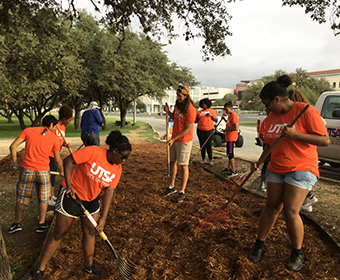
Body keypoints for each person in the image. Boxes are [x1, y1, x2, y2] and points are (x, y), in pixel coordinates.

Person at [248, 75, 329, 271]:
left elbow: (325, 140)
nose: (266, 109)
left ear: (277, 98)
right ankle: (259, 245)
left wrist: (296, 135)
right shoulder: (270, 119)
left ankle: (297, 252)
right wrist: (259, 162)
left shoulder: (306, 112)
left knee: (291, 211)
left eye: (267, 104)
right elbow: (268, 144)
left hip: (302, 168)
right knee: (271, 207)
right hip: (276, 167)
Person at [33, 130, 132, 280]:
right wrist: (69, 186)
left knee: (90, 232)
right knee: (60, 233)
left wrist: (103, 218)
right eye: (123, 157)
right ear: (114, 150)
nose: (124, 160)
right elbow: (68, 161)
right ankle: (40, 269)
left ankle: (89, 266)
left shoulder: (117, 168)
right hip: (72, 196)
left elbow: (109, 191)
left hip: (91, 200)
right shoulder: (93, 152)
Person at [8, 115, 64, 234]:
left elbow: (13, 146)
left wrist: (15, 163)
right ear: (51, 125)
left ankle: (16, 223)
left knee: (22, 198)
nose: (54, 130)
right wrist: (62, 171)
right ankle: (41, 224)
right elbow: (58, 160)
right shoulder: (54, 138)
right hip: (44, 172)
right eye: (54, 127)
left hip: (27, 170)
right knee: (44, 199)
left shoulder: (28, 131)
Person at [160, 85, 196, 203]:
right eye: (177, 95)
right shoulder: (177, 105)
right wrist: (168, 112)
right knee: (172, 162)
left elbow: (187, 129)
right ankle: (171, 186)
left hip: (184, 141)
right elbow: (175, 119)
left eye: (180, 96)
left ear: (186, 96)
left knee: (184, 165)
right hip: (174, 139)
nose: (178, 97)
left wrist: (174, 139)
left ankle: (182, 191)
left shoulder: (190, 109)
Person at [288, 89, 319, 212]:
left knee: (291, 208)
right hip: (302, 160)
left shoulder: (306, 114)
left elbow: (322, 138)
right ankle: (308, 197)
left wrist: (295, 135)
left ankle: (308, 197)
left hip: (301, 162)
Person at [48, 105, 73, 207]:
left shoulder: (62, 127)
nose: (70, 122)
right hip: (50, 154)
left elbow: (60, 140)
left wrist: (64, 144)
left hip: (56, 153)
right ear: (63, 119)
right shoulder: (55, 126)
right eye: (69, 120)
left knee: (53, 175)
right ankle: (49, 197)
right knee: (51, 175)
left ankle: (52, 196)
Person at [195, 98, 218, 165]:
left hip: (209, 130)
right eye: (202, 104)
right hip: (200, 130)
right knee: (202, 145)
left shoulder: (212, 111)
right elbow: (195, 121)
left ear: (208, 104)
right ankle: (203, 159)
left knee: (208, 145)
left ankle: (210, 159)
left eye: (205, 104)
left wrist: (211, 115)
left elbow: (216, 120)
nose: (203, 105)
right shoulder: (199, 112)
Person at [221, 101, 239, 177]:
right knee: (229, 154)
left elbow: (235, 127)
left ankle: (234, 171)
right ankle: (228, 168)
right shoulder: (229, 115)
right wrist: (224, 119)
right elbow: (229, 124)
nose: (226, 111)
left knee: (230, 154)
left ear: (230, 108)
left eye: (226, 109)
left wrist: (226, 130)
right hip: (228, 137)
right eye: (225, 110)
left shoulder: (234, 115)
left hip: (232, 137)